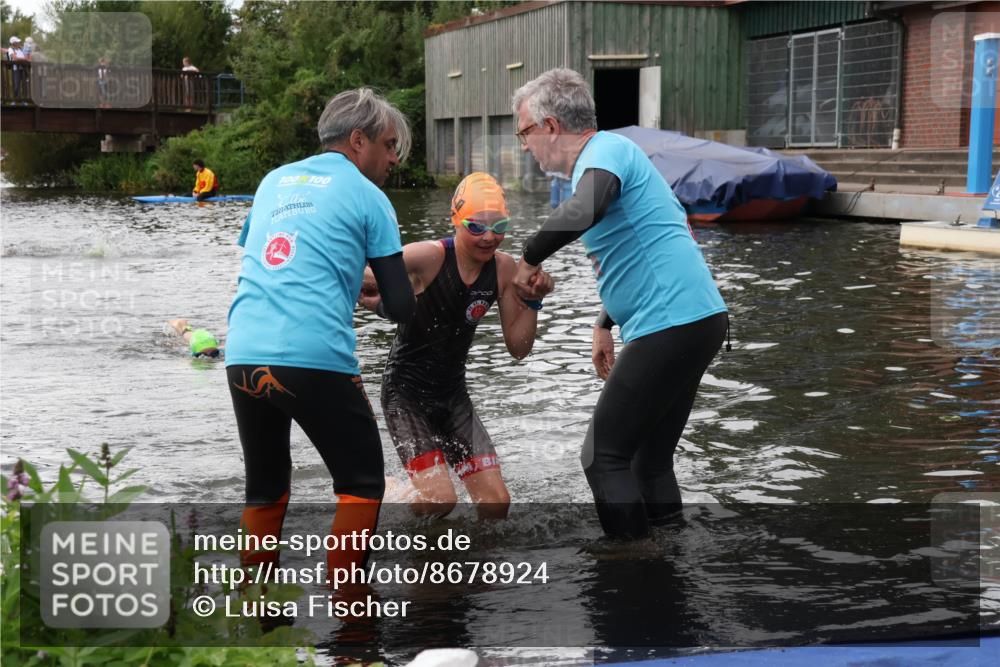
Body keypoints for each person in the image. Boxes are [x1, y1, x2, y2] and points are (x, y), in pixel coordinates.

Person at [510, 68, 729, 539]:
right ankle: (670, 547)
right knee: (649, 461)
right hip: (696, 318)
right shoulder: (610, 159)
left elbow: (589, 208)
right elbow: (649, 241)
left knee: (602, 456)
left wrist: (529, 256)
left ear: (550, 127)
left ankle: (631, 563)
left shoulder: (605, 150)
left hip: (671, 322)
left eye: (523, 132)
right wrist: (603, 321)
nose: (523, 145)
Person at [225, 88, 415, 576]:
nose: (393, 157)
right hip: (313, 358)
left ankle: (257, 613)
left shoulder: (273, 181)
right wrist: (375, 294)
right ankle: (350, 615)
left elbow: (276, 259)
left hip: (243, 353)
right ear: (358, 141)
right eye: (389, 145)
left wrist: (344, 279)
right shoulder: (370, 197)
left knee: (265, 487)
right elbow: (400, 305)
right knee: (362, 482)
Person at [359, 172, 554, 520]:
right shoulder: (428, 257)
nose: (489, 237)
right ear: (456, 221)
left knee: (497, 505)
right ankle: (390, 492)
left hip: (452, 397)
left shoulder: (503, 269)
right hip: (406, 396)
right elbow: (359, 272)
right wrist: (371, 290)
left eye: (500, 226)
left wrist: (534, 302)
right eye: (476, 227)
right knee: (439, 501)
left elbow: (519, 348)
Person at [6, 37, 26, 103]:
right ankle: (14, 100)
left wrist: (21, 58)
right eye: (17, 42)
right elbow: (14, 58)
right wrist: (23, 59)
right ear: (14, 43)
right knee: (16, 85)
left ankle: (23, 100)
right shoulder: (10, 49)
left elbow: (24, 57)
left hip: (22, 69)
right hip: (15, 69)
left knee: (23, 85)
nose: (18, 43)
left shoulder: (21, 49)